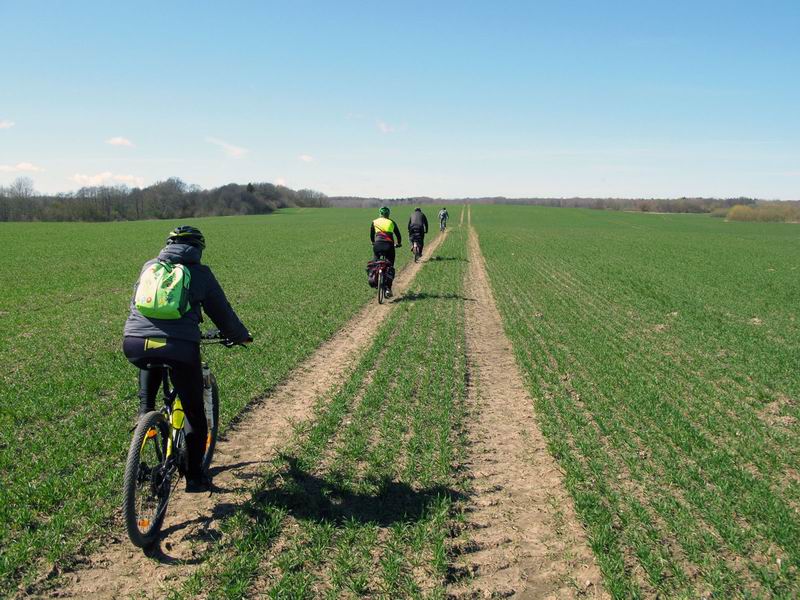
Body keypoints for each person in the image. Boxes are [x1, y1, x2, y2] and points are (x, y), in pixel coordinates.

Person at [122, 225, 252, 493]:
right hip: (180, 347)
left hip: (135, 341)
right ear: (198, 249)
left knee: (152, 358)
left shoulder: (149, 267)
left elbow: (137, 303)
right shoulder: (200, 273)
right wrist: (239, 336)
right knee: (194, 412)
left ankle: (146, 414)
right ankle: (194, 477)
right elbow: (222, 313)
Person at [370, 206, 402, 297]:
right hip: (389, 246)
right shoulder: (392, 222)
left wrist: (373, 242)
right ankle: (388, 288)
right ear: (388, 214)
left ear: (380, 214)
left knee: (375, 263)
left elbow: (371, 235)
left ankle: (375, 280)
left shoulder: (374, 222)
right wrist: (399, 243)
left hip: (377, 246)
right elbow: (398, 235)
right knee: (390, 266)